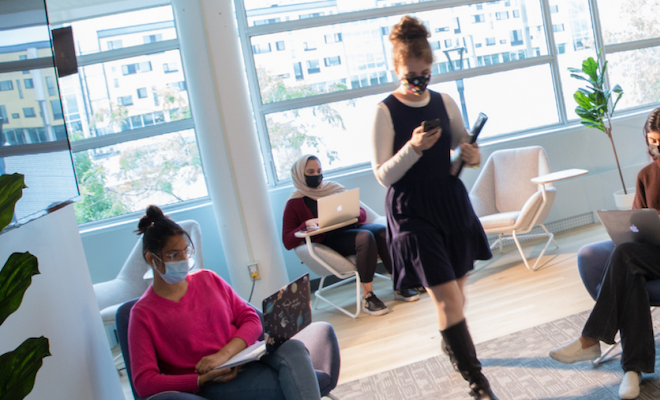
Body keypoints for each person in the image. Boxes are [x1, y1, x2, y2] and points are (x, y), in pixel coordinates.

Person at [547, 107, 660, 399]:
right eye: (652, 141)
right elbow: (635, 221)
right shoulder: (646, 175)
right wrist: (637, 227)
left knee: (625, 257)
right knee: (629, 271)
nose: (658, 146)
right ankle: (632, 370)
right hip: (651, 252)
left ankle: (591, 340)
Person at [369, 16, 495, 399]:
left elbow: (465, 150)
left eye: (425, 73)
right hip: (411, 212)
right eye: (411, 75)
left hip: (451, 205)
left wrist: (471, 154)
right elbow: (383, 175)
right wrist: (413, 148)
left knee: (457, 296)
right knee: (447, 298)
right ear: (397, 69)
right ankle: (478, 382)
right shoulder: (385, 111)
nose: (419, 81)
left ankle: (451, 340)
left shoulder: (444, 101)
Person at [127, 206, 324, 400]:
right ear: (152, 259)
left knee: (294, 347)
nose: (184, 259)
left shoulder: (208, 279)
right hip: (216, 380)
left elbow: (250, 318)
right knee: (291, 384)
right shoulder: (143, 314)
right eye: (174, 255)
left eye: (186, 251)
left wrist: (224, 354)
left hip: (245, 355)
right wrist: (200, 380)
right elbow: (144, 382)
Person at [280, 154, 420, 316]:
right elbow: (287, 240)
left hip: (351, 229)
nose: (316, 175)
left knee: (382, 231)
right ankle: (368, 296)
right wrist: (306, 224)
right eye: (310, 172)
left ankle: (400, 284)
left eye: (319, 171)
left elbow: (362, 213)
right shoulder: (294, 203)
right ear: (299, 174)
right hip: (328, 240)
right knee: (365, 237)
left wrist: (348, 213)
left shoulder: (333, 188)